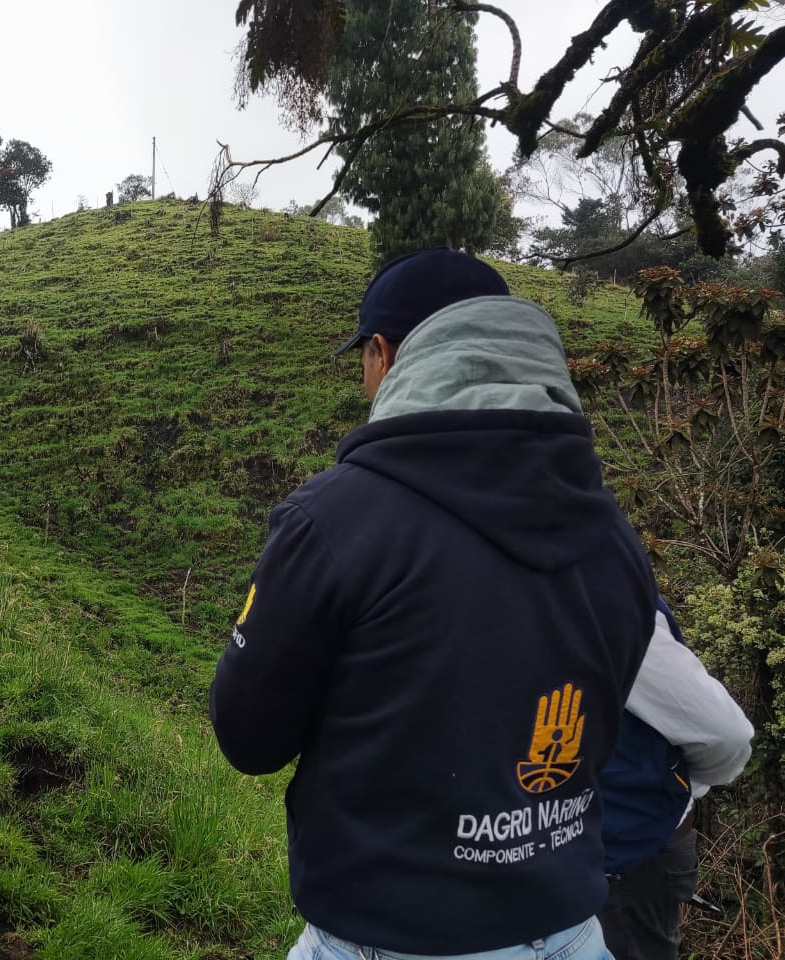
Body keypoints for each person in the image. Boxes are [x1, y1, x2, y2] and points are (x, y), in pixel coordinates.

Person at [208, 248, 658, 960]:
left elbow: (249, 738)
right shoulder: (614, 536)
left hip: (388, 938)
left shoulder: (336, 520)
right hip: (572, 933)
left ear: (384, 354)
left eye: (362, 360)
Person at [598, 597, 753, 960]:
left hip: (602, 848)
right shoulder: (604, 593)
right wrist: (684, 788)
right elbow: (724, 735)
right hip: (627, 846)